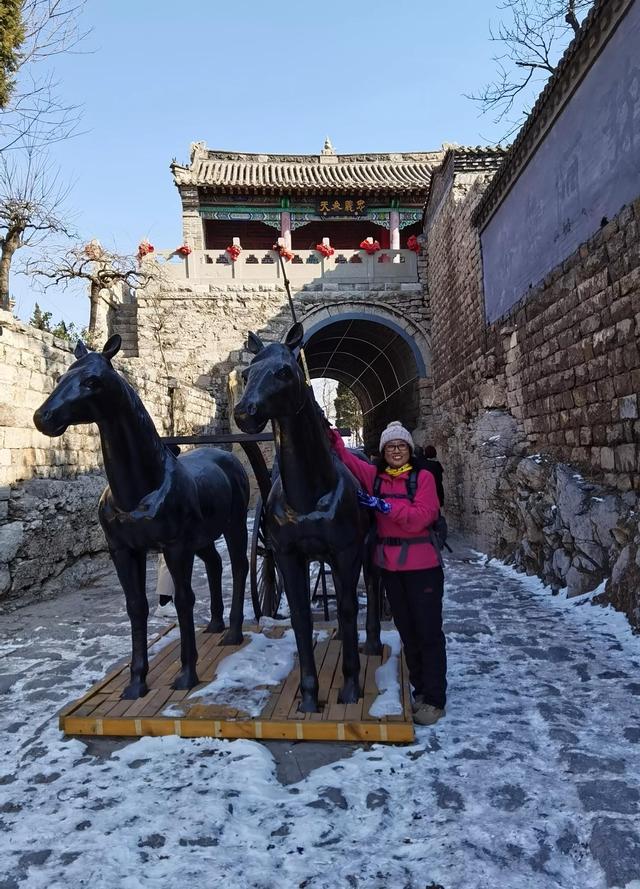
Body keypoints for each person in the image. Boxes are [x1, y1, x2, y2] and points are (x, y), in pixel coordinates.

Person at [328, 419, 447, 726]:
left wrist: (382, 506)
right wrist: (327, 431)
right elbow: (347, 460)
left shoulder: (422, 478)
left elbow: (422, 516)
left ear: (409, 449)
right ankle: (419, 688)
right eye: (391, 446)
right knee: (407, 631)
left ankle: (433, 698)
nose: (396, 451)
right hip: (392, 569)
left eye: (401, 446)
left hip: (422, 567)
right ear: (383, 451)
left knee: (428, 633)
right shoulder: (376, 477)